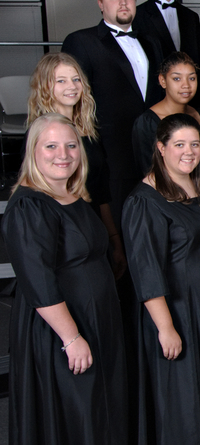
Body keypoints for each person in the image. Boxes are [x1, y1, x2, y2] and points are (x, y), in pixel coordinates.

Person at [3, 114, 128, 444]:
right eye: (51, 146)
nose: (63, 154)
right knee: (77, 415)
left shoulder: (76, 197)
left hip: (96, 322)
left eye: (71, 145)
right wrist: (71, 338)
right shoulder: (29, 206)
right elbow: (38, 281)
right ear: (34, 151)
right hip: (61, 331)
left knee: (102, 412)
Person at [122, 113, 200, 444]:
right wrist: (166, 328)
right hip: (177, 310)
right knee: (185, 398)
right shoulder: (143, 201)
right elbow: (145, 271)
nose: (188, 151)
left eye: (194, 144)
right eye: (179, 144)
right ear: (160, 148)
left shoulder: (199, 185)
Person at [61, 0, 164, 223]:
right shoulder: (80, 41)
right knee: (118, 222)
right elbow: (73, 100)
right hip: (110, 151)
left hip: (152, 147)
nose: (123, 2)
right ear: (100, 3)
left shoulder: (151, 41)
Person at [27, 53, 123, 277]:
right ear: (45, 86)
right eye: (61, 80)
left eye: (76, 79)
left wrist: (113, 238)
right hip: (65, 238)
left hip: (93, 230)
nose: (71, 86)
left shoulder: (88, 132)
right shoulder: (40, 135)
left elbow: (100, 192)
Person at [132, 52, 200, 191]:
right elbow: (149, 174)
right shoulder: (147, 122)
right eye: (177, 79)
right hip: (170, 202)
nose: (186, 85)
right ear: (163, 81)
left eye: (191, 78)